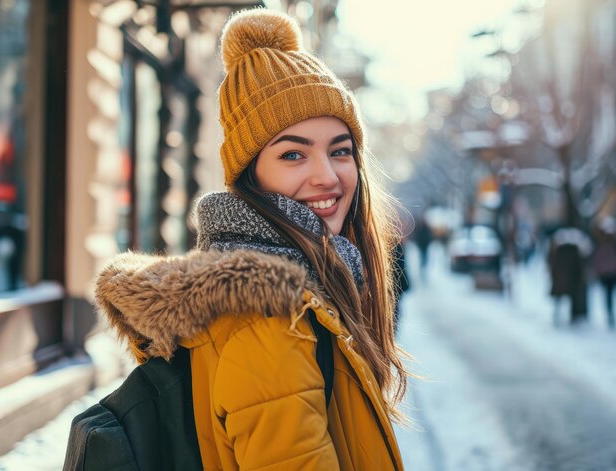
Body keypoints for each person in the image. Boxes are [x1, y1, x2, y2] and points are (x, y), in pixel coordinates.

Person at [94, 9, 407, 470]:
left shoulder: (302, 289)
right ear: (250, 174)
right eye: (293, 154)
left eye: (340, 151)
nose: (328, 176)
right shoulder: (272, 318)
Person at [592, 217, 616, 328]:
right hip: (609, 274)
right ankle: (610, 314)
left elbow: (597, 260)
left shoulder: (601, 244)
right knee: (609, 295)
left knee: (608, 295)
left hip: (607, 274)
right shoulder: (610, 245)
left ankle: (610, 314)